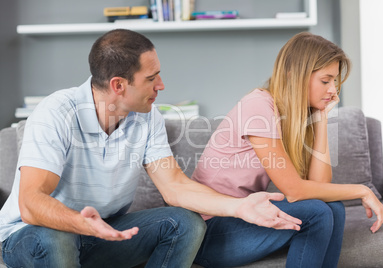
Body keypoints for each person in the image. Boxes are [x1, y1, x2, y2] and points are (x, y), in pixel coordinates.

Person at [0, 29, 302, 268]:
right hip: (31, 236)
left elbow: (174, 187)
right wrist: (79, 223)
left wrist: (239, 207)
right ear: (119, 85)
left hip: (102, 233)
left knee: (185, 222)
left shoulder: (146, 118)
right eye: (151, 78)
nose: (161, 85)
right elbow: (31, 203)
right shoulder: (56, 113)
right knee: (58, 239)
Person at [192, 32, 383, 268]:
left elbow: (318, 185)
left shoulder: (295, 117)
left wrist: (321, 118)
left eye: (334, 81)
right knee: (317, 212)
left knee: (333, 207)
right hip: (207, 232)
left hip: (245, 217)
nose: (333, 91)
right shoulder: (258, 106)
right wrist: (362, 190)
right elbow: (295, 191)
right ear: (296, 76)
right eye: (326, 81)